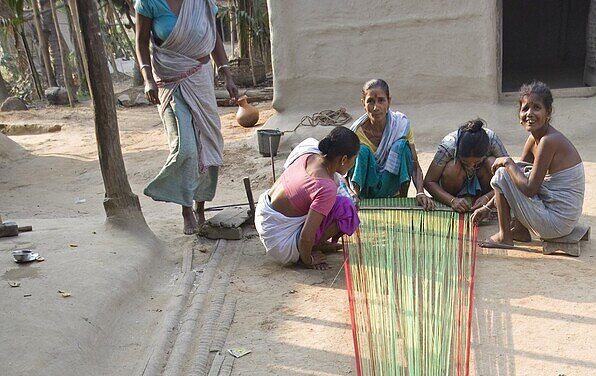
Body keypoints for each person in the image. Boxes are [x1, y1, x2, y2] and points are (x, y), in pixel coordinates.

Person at [135, 0, 238, 235]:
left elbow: (214, 40)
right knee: (186, 148)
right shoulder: (149, 3)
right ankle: (185, 208)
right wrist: (147, 78)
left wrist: (227, 74)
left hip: (200, 80)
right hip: (170, 81)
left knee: (207, 145)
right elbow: (141, 42)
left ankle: (200, 206)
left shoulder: (202, 3)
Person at [479, 81, 585, 248]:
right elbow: (516, 179)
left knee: (504, 171)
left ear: (548, 112)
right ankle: (520, 230)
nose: (529, 113)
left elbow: (530, 189)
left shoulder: (549, 141)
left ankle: (505, 237)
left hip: (557, 223)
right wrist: (487, 207)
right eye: (525, 108)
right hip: (558, 218)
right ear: (519, 115)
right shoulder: (534, 140)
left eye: (536, 108)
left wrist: (507, 161)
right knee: (517, 171)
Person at [254, 126, 361, 269]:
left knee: (339, 202)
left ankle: (317, 243)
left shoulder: (309, 150)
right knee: (347, 209)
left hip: (263, 216)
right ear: (344, 159)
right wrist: (308, 260)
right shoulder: (325, 186)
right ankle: (309, 249)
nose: (352, 165)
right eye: (353, 160)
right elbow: (305, 236)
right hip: (280, 242)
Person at [349, 79, 434, 209]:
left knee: (402, 146)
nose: (376, 107)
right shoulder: (355, 133)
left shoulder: (401, 125)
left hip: (391, 187)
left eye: (381, 100)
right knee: (362, 151)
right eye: (370, 101)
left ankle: (400, 201)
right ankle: (358, 200)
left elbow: (415, 165)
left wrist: (420, 192)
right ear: (363, 104)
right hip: (366, 190)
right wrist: (350, 194)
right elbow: (342, 172)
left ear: (389, 101)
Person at [425, 119, 508, 220]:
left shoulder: (492, 140)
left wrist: (488, 197)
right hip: (456, 186)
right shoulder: (449, 145)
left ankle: (482, 196)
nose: (471, 166)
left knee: (493, 162)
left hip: (482, 182)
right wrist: (452, 200)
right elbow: (429, 181)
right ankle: (458, 199)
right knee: (452, 167)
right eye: (465, 162)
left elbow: (509, 175)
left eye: (477, 163)